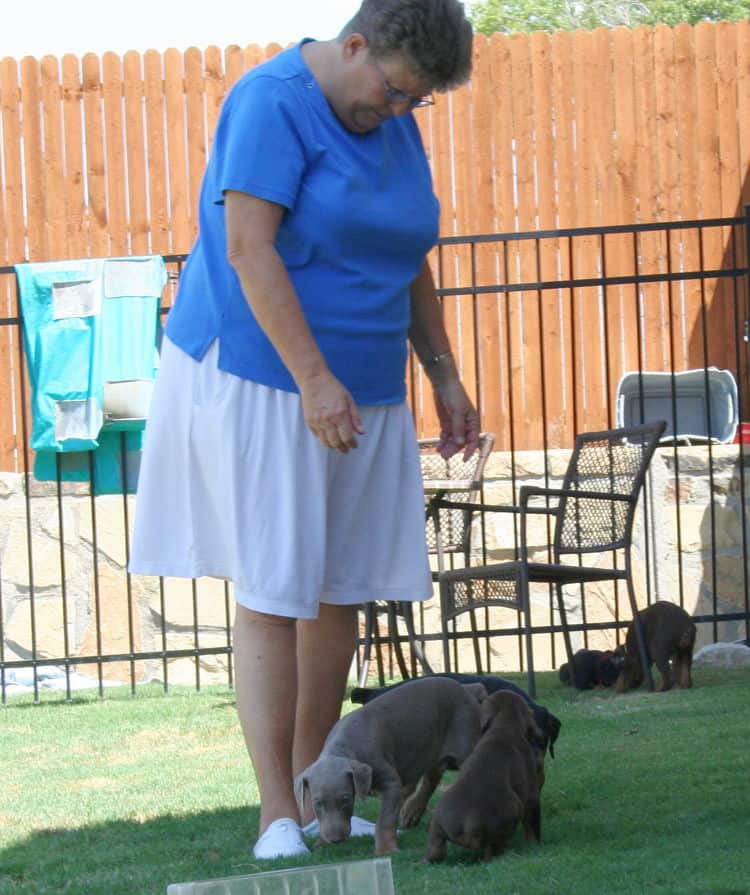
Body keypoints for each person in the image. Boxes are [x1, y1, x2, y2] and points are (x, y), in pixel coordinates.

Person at [129, 0, 479, 860]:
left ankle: (322, 782)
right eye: (394, 91)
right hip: (265, 377)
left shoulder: (393, 122)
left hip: (364, 388)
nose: (398, 112)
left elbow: (407, 252)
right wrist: (313, 379)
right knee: (275, 589)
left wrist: (442, 373)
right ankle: (275, 812)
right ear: (355, 44)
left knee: (340, 589)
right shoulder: (270, 101)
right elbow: (249, 248)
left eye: (416, 102)